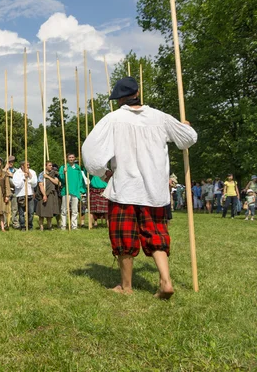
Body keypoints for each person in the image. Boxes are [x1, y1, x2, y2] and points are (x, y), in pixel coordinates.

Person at [82, 76, 197, 299]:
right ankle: (165, 281)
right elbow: (188, 139)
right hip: (154, 190)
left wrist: (103, 173)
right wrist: (186, 128)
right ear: (137, 94)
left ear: (120, 99)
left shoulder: (113, 119)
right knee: (157, 235)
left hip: (125, 188)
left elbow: (91, 153)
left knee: (124, 238)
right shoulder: (160, 117)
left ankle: (126, 287)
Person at [58, 153, 86, 230]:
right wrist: (64, 173)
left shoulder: (77, 168)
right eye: (69, 157)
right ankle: (63, 226)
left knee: (75, 210)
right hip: (66, 190)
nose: (71, 158)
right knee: (64, 209)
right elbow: (61, 179)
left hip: (75, 191)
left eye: (72, 157)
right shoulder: (64, 167)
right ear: (67, 158)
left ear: (74, 158)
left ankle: (74, 226)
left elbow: (80, 180)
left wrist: (81, 190)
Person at [13, 161, 37, 231]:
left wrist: (29, 174)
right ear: (22, 166)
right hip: (21, 194)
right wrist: (23, 178)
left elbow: (34, 183)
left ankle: (30, 225)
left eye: (29, 165)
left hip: (30, 193)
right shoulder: (17, 173)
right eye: (27, 165)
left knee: (31, 212)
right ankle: (23, 226)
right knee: (21, 213)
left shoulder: (32, 172)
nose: (28, 166)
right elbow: (17, 185)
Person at [36, 161, 60, 230]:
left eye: (51, 165)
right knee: (42, 212)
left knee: (50, 211)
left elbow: (56, 182)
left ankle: (49, 226)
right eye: (49, 165)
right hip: (42, 195)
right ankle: (41, 226)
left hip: (51, 195)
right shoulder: (41, 174)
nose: (51, 167)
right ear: (45, 166)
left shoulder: (53, 173)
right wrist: (44, 195)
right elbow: (41, 185)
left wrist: (48, 177)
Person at [5, 156, 19, 230]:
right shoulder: (3, 170)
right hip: (6, 191)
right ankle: (4, 223)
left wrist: (12, 175)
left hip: (14, 191)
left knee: (15, 209)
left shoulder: (16, 171)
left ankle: (15, 223)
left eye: (12, 162)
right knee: (5, 209)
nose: (11, 163)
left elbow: (19, 180)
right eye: (9, 162)